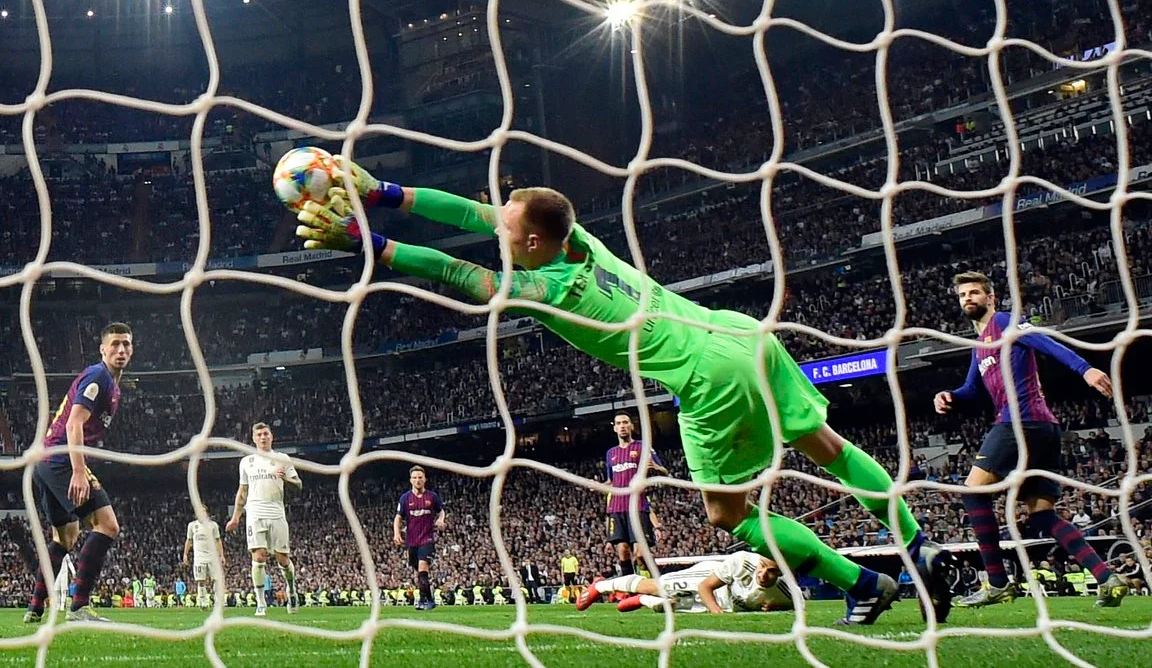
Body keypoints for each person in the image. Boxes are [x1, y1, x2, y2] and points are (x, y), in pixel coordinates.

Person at [294, 167, 954, 625]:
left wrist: (363, 241)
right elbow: (470, 214)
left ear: (531, 241)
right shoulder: (580, 242)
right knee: (827, 446)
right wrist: (381, 192)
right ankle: (917, 544)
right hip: (739, 332)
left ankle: (862, 582)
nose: (495, 230)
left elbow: (453, 268)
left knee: (728, 513)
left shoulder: (547, 289)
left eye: (506, 228)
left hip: (706, 375)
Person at [936, 271, 1126, 609]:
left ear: (990, 297)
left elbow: (1044, 342)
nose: (968, 298)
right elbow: (971, 390)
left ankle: (997, 583)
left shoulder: (1004, 322)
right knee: (1041, 515)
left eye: (974, 292)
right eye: (963, 295)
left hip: (1019, 421)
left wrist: (1085, 369)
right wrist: (949, 396)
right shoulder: (980, 347)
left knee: (973, 492)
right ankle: (1107, 578)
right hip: (1043, 429)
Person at [24, 322, 132, 624]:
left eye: (126, 344)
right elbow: (74, 424)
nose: (121, 350)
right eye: (115, 344)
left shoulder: (112, 385)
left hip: (46, 461)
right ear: (103, 349)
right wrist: (79, 471)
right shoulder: (98, 376)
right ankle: (79, 607)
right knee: (108, 525)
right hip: (60, 459)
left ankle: (35, 608)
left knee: (65, 537)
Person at [225, 422, 303, 616]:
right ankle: (261, 602)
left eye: (265, 434)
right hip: (255, 513)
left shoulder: (282, 459)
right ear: (254, 439)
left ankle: (292, 590)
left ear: (271, 436)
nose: (262, 437)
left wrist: (285, 478)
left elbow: (298, 485)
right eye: (259, 434)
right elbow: (242, 491)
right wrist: (235, 517)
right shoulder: (247, 462)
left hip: (276, 513)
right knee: (258, 556)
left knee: (282, 559)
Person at [577, 551, 792, 614]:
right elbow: (705, 586)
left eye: (771, 571)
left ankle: (643, 600)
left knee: (670, 606)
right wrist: (716, 612)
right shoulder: (742, 561)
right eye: (763, 566)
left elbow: (796, 604)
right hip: (706, 580)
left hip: (726, 604)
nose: (763, 574)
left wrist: (776, 606)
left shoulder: (788, 592)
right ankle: (601, 586)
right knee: (659, 587)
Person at [603, 412, 667, 576]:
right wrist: (596, 486)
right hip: (617, 507)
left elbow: (664, 472)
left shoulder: (642, 447)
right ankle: (630, 587)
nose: (622, 426)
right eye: (619, 423)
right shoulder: (611, 453)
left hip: (637, 506)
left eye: (625, 422)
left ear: (631, 426)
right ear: (615, 428)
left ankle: (656, 580)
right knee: (623, 551)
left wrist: (656, 468)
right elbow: (611, 481)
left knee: (639, 554)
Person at [394, 465, 446, 611]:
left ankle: (426, 601)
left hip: (427, 539)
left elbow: (441, 511)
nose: (417, 480)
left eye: (420, 477)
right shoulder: (405, 498)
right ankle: (427, 598)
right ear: (411, 480)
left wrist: (441, 519)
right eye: (415, 477)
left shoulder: (432, 497)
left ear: (425, 479)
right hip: (412, 541)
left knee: (423, 568)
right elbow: (398, 517)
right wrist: (397, 533)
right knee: (419, 571)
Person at [184, 506, 225, 609]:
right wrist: (185, 554)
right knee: (201, 580)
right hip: (199, 557)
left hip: (213, 557)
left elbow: (218, 540)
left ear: (207, 512)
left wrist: (222, 555)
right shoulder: (192, 526)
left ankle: (218, 602)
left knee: (216, 579)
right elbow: (189, 540)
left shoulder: (213, 525)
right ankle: (203, 601)